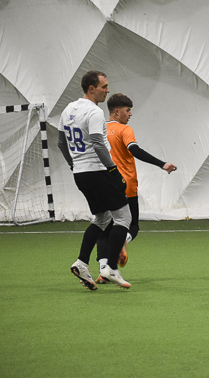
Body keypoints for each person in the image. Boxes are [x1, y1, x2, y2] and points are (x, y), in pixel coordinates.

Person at [58, 70, 132, 290]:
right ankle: (111, 268)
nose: (107, 90)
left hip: (81, 174)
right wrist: (113, 170)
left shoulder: (68, 109)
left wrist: (74, 165)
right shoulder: (94, 112)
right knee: (123, 218)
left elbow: (61, 143)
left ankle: (82, 263)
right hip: (99, 172)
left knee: (101, 218)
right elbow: (98, 143)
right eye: (104, 86)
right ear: (91, 89)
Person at [95, 93, 177, 283]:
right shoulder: (124, 129)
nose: (130, 114)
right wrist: (162, 164)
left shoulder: (99, 130)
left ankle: (103, 270)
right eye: (128, 110)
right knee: (132, 225)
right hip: (125, 185)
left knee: (104, 227)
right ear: (117, 112)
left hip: (104, 184)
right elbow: (135, 150)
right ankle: (123, 241)